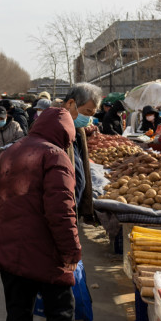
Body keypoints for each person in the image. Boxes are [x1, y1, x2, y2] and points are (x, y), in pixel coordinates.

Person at [0, 107, 95, 321]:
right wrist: (71, 251)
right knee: (61, 309)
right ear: (65, 134)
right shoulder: (55, 155)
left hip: (9, 246)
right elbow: (61, 211)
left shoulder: (12, 151)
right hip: (44, 249)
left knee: (17, 309)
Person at [62, 83, 104, 219]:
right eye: (87, 112)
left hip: (73, 209)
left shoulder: (77, 132)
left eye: (92, 114)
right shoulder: (56, 132)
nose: (89, 119)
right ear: (70, 104)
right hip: (62, 211)